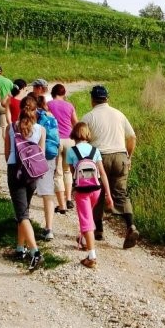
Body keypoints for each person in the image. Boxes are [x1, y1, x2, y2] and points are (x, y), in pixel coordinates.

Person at [81, 85, 139, 249]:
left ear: (92, 99)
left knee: (96, 192)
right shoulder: (119, 114)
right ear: (107, 98)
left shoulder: (89, 116)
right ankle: (130, 226)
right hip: (120, 156)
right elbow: (132, 136)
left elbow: (81, 139)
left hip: (99, 158)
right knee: (121, 194)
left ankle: (98, 229)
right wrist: (129, 156)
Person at [4, 95, 45, 271]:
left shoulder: (11, 128)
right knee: (24, 210)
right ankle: (20, 248)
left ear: (20, 108)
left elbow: (7, 154)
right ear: (36, 110)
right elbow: (41, 153)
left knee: (22, 214)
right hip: (33, 173)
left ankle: (35, 252)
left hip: (16, 171)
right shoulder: (40, 129)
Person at [67, 122, 113, 268]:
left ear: (74, 133)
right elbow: (103, 173)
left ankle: (92, 255)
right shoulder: (95, 150)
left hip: (82, 191)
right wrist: (109, 195)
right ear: (87, 134)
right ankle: (84, 239)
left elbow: (73, 172)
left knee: (86, 219)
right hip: (96, 190)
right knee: (88, 216)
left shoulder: (71, 151)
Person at [33, 94, 61, 239]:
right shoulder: (51, 117)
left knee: (26, 190)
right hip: (49, 156)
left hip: (31, 158)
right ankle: (49, 228)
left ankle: (22, 222)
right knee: (48, 193)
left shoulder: (31, 116)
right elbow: (57, 139)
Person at [48, 83, 79, 211]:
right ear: (64, 94)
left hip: (55, 140)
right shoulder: (70, 106)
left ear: (53, 93)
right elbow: (76, 123)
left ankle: (62, 205)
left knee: (58, 172)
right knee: (67, 171)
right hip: (69, 140)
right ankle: (68, 199)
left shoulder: (48, 105)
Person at [0, 65, 14, 137]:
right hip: (5, 105)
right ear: (2, 72)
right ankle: (5, 144)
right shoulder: (9, 81)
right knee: (4, 127)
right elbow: (12, 93)